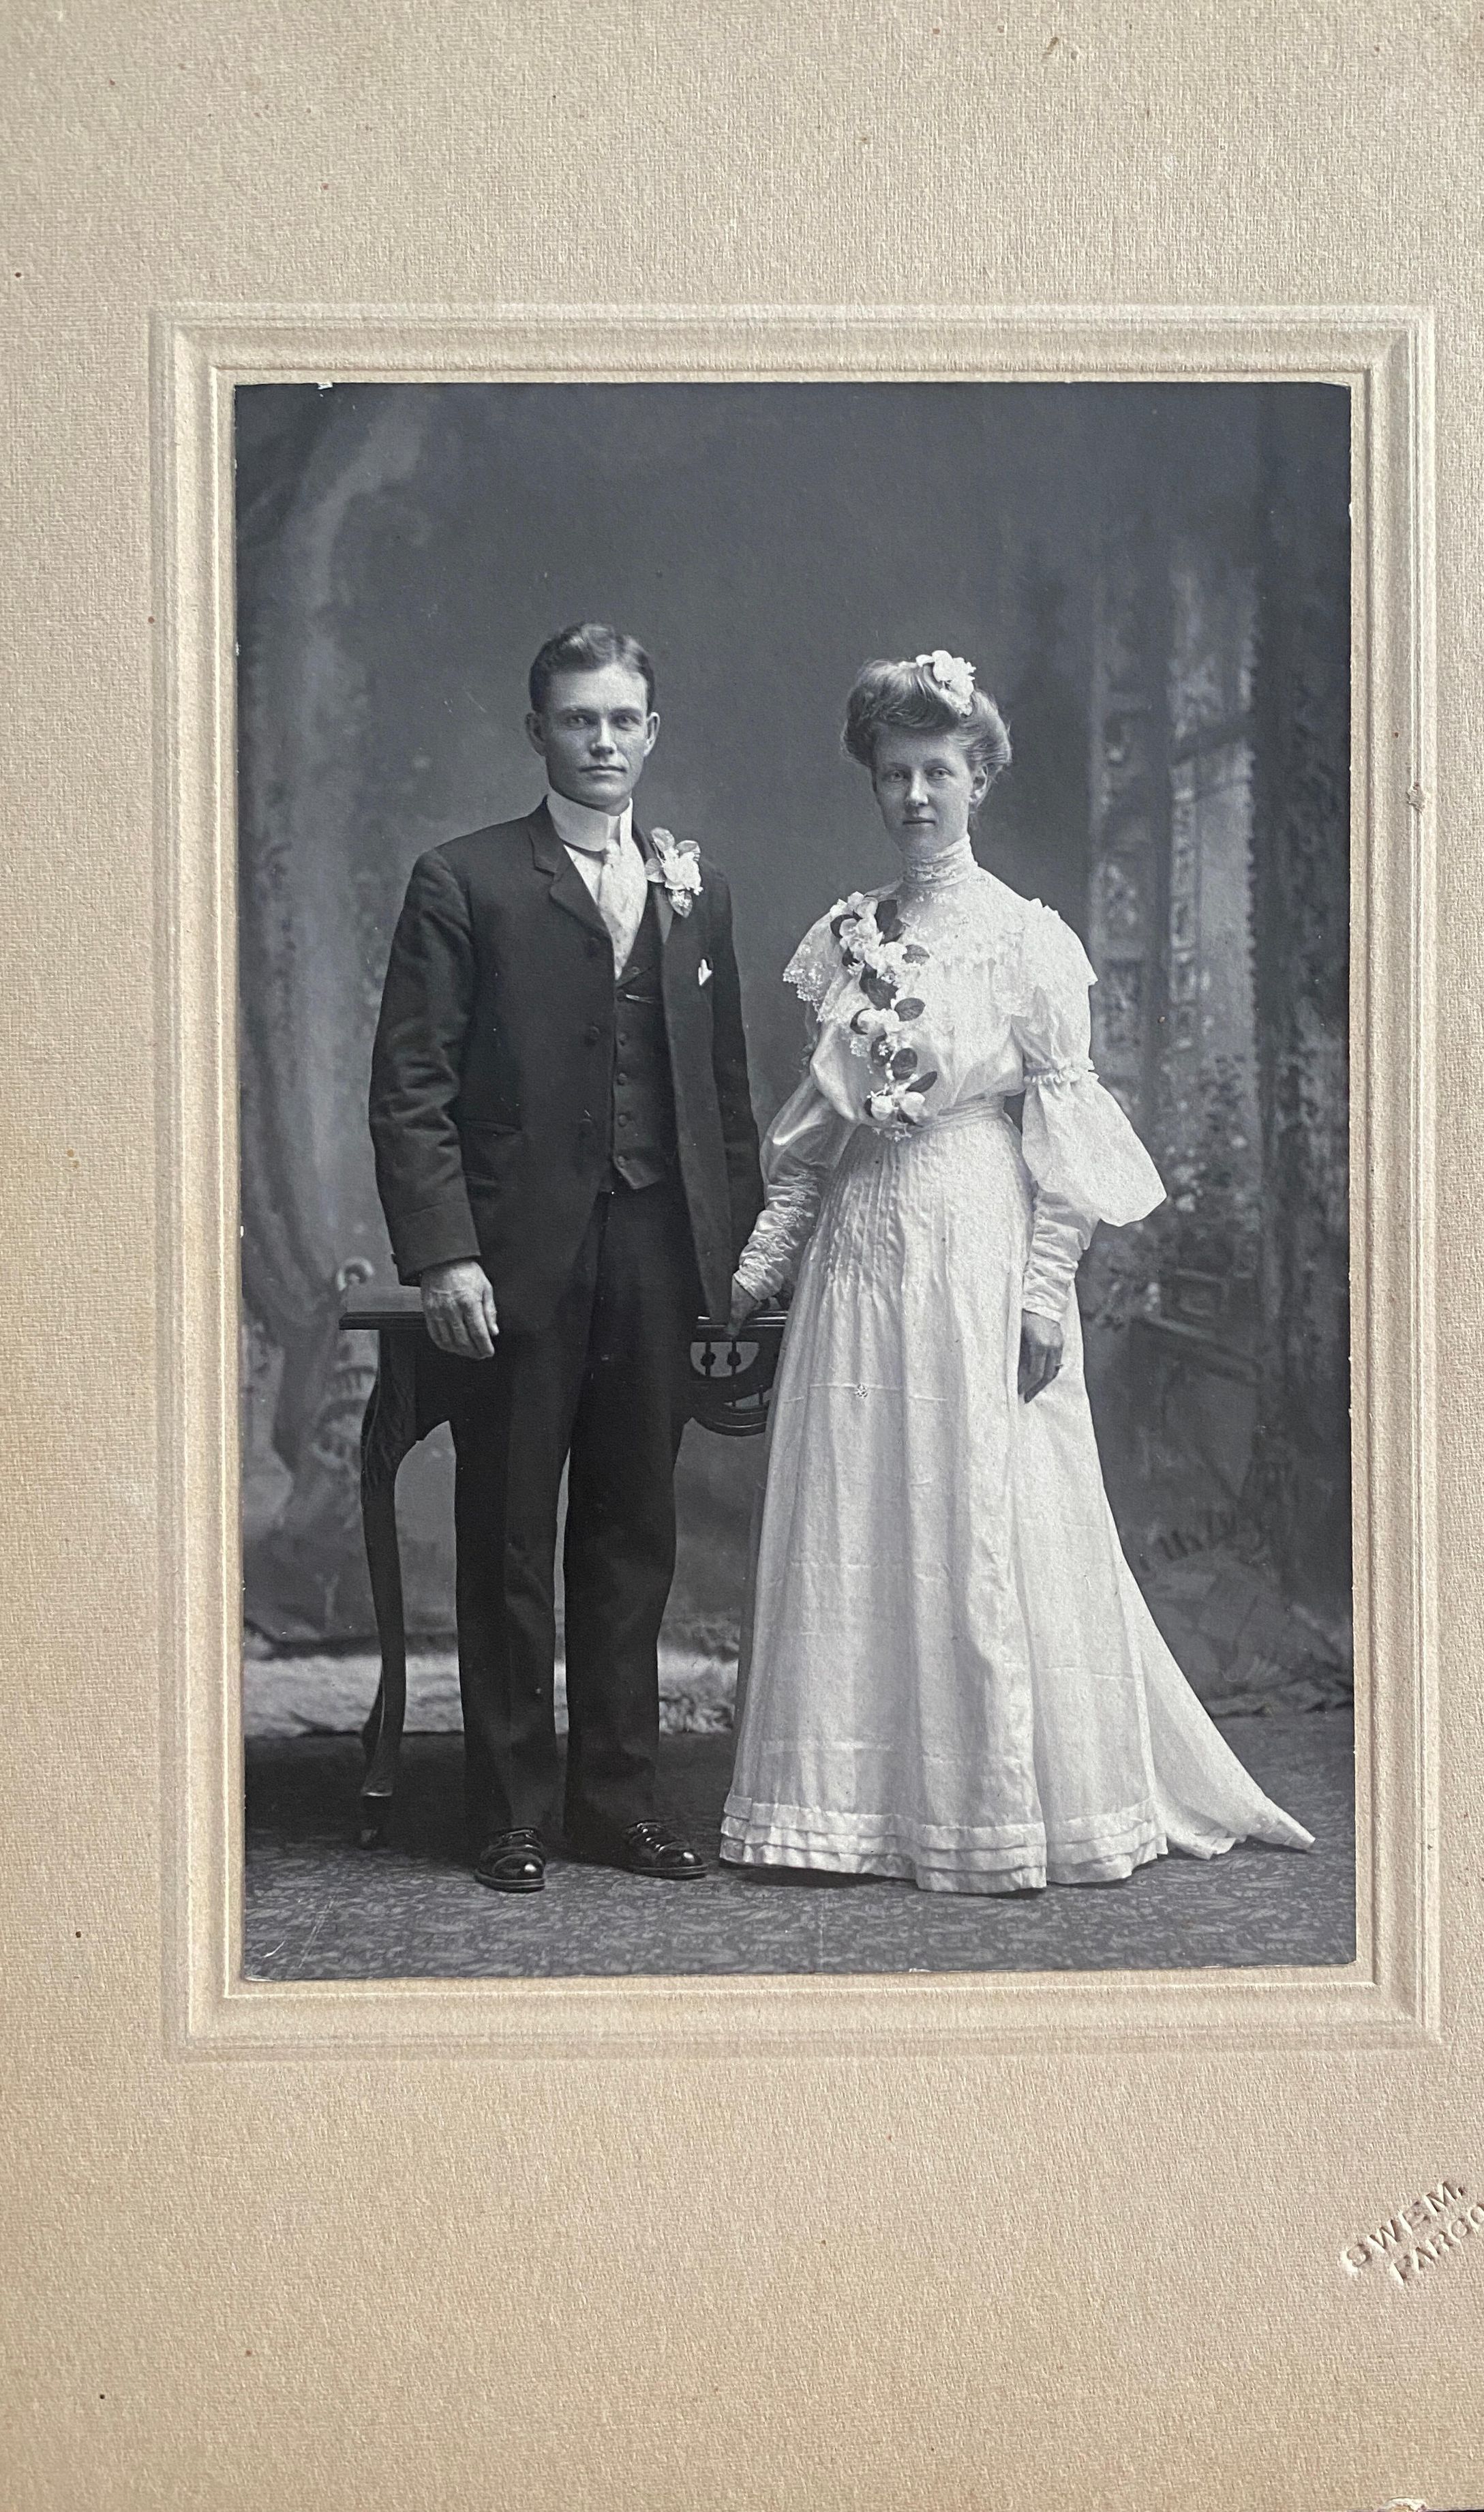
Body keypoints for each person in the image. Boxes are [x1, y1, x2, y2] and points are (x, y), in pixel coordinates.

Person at [721, 651, 1313, 1895]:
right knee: (858, 1495)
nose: (916, 797)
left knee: (984, 1499)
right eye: (896, 775)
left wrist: (1045, 1290)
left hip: (976, 1235)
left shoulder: (1028, 941)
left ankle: (988, 1806)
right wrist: (772, 1248)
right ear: (875, 785)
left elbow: (1064, 1136)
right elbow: (816, 1129)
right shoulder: (845, 938)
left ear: (978, 777)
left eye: (938, 772)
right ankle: (846, 1807)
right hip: (864, 1244)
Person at [369, 623, 761, 1892]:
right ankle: (509, 1810)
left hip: (659, 1251)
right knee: (507, 1536)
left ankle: (614, 1803)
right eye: (579, 719)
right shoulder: (466, 879)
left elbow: (723, 1096)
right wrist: (445, 1258)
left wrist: (739, 1264)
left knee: (632, 1535)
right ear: (536, 730)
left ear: (653, 732)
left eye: (623, 719)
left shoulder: (695, 887)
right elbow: (412, 1088)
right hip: (515, 1259)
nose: (602, 741)